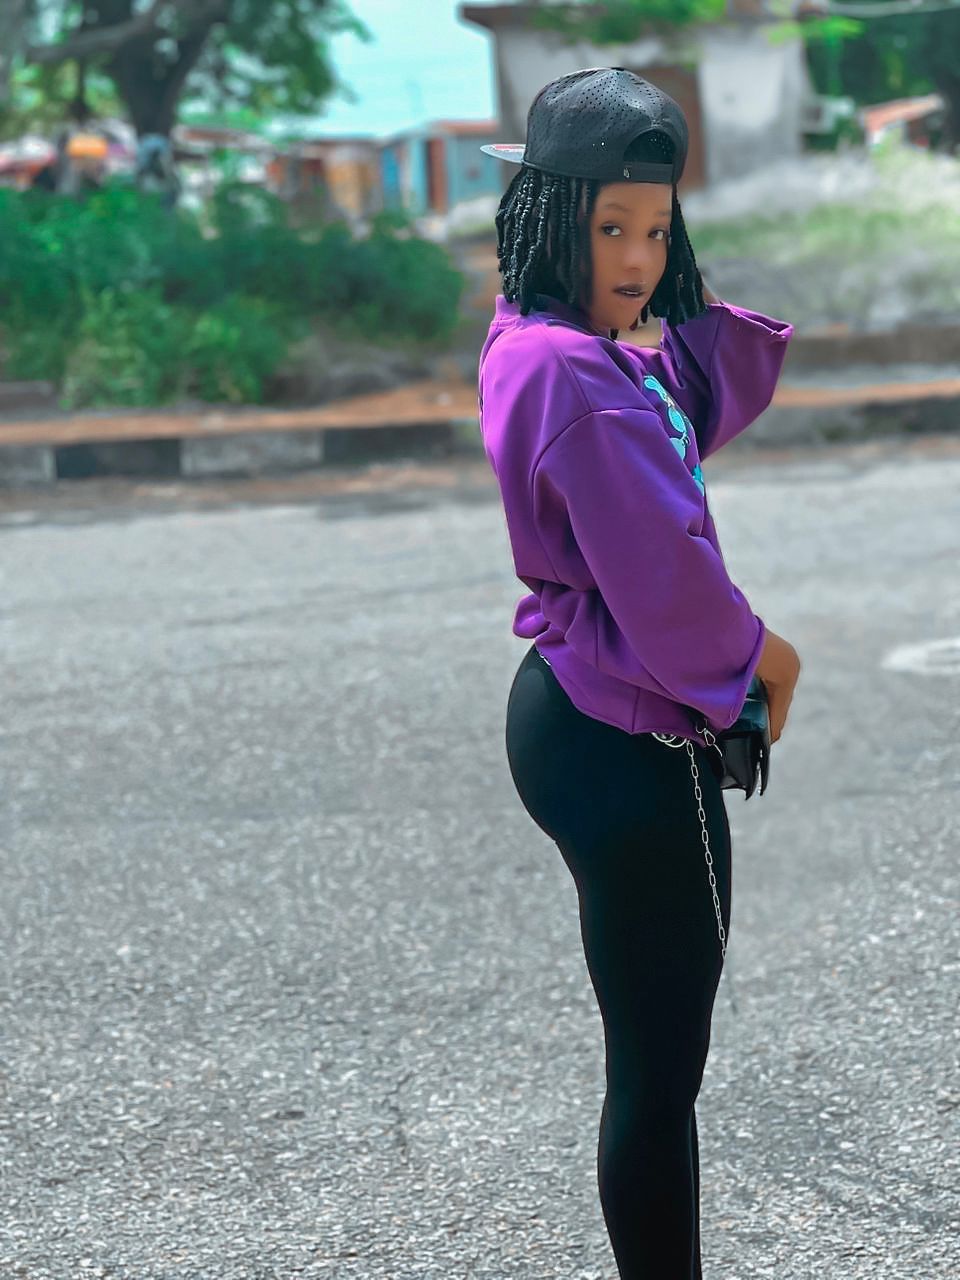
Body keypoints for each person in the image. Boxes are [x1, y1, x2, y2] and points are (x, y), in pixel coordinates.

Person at [477, 67, 802, 1279]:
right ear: (546, 216)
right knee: (659, 1081)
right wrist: (763, 661)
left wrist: (665, 301)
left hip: (568, 706)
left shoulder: (543, 338)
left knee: (649, 1066)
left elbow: (693, 401)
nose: (638, 257)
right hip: (630, 737)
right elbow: (669, 588)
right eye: (609, 226)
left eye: (659, 229)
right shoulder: (586, 384)